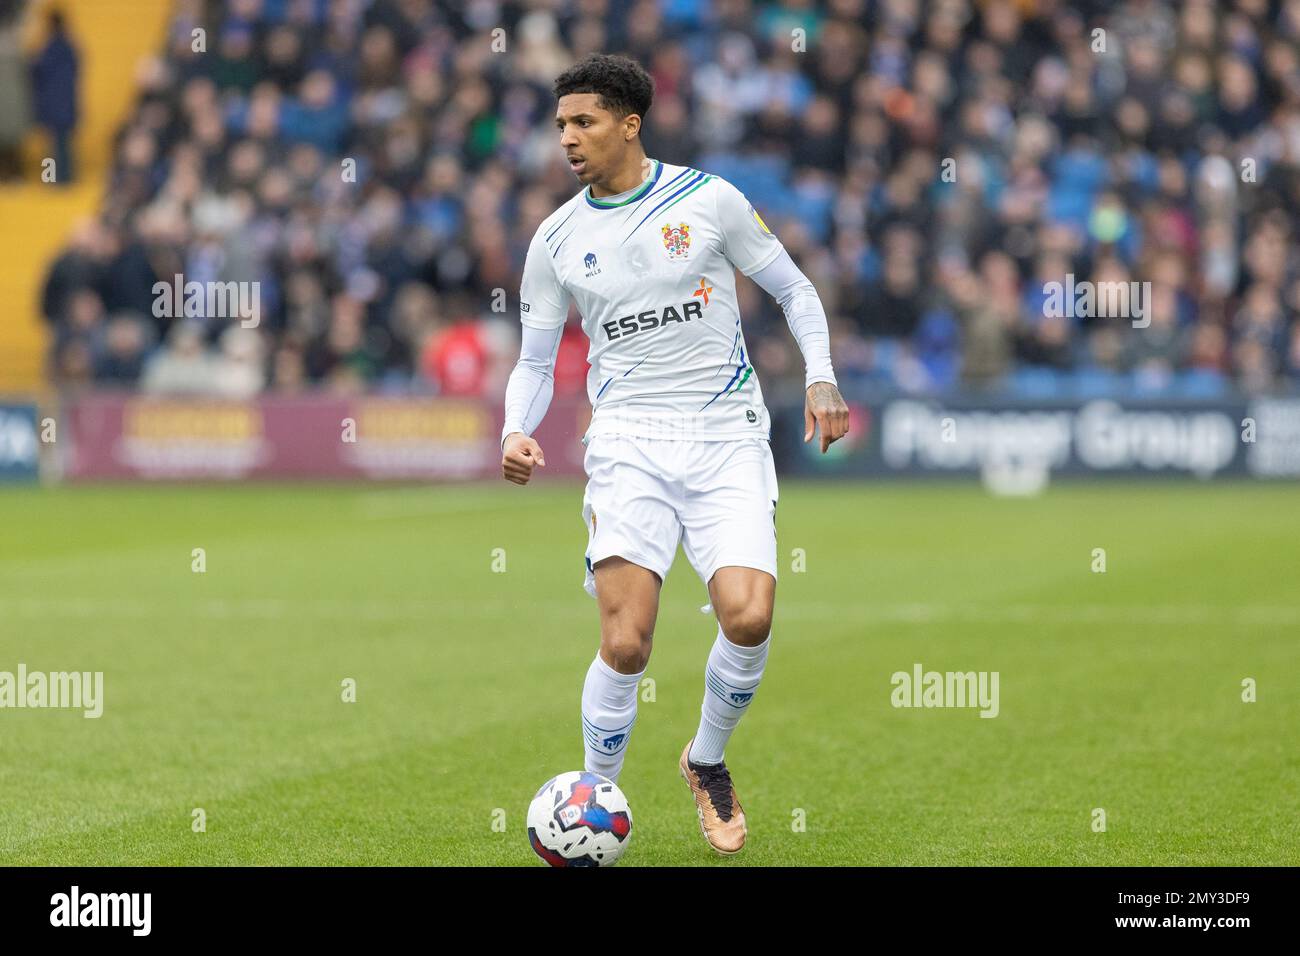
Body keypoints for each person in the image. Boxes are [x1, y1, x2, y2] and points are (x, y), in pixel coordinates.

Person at [500, 54, 849, 855]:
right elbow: (532, 359)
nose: (568, 139)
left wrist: (822, 380)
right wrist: (514, 430)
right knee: (626, 642)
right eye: (560, 125)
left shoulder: (708, 200)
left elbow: (795, 290)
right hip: (628, 441)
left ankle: (706, 758)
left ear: (629, 123)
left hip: (726, 434)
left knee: (750, 617)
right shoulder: (555, 239)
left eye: (583, 121)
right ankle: (595, 796)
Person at [30, 8, 78, 185]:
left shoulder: (48, 48)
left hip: (52, 104)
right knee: (63, 145)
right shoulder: (70, 46)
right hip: (66, 102)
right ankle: (65, 178)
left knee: (52, 146)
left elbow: (37, 71)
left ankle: (51, 179)